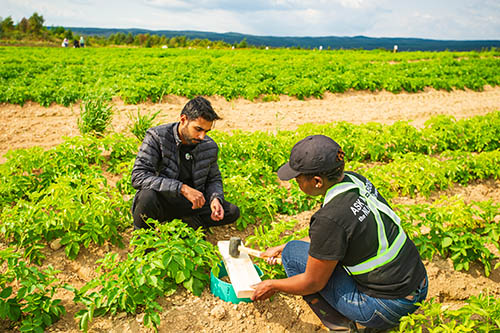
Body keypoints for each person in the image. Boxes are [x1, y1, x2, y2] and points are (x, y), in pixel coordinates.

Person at [251, 135, 427, 331]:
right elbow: (337, 235)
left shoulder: (330, 218)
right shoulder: (356, 181)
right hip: (418, 284)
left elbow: (312, 283)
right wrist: (282, 247)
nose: (296, 184)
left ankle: (342, 328)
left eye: (298, 179)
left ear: (317, 181)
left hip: (386, 307)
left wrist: (273, 285)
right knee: (292, 249)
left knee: (293, 255)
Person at [131, 96, 240, 232]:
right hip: (163, 201)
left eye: (206, 131)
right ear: (183, 120)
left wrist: (215, 198)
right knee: (146, 197)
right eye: (198, 129)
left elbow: (213, 179)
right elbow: (138, 176)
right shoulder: (157, 137)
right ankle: (143, 239)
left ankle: (184, 226)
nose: (202, 136)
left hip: (192, 205)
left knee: (231, 211)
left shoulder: (209, 146)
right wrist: (182, 188)